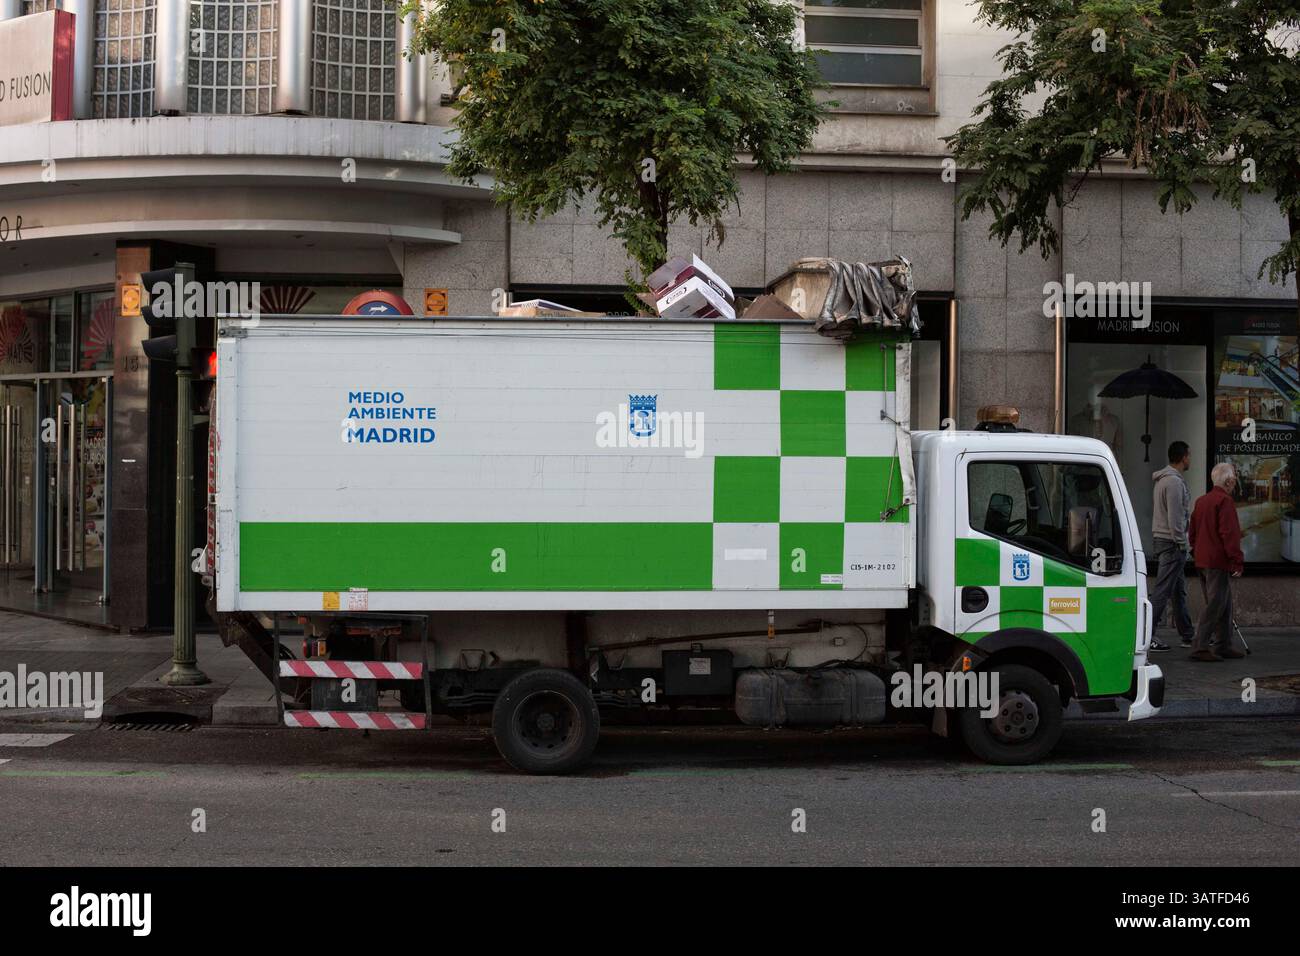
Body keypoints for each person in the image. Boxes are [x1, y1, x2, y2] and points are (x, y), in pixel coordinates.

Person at [1187, 462, 1246, 662]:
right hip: (1216, 561)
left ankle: (1223, 644)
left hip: (1202, 560)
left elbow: (1192, 531)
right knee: (1215, 604)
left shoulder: (1202, 501)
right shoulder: (1225, 501)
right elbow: (1229, 533)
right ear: (1229, 481)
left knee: (1224, 602)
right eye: (1235, 477)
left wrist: (1196, 550)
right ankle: (1200, 646)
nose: (1235, 481)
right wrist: (1236, 560)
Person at [1148, 441, 1194, 651]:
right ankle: (1148, 635)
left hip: (1164, 539)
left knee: (1177, 591)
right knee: (1163, 591)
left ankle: (1187, 634)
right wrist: (1182, 543)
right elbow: (1176, 517)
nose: (1190, 459)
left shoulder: (1163, 481)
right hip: (1172, 543)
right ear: (1183, 457)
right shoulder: (1173, 483)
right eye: (1189, 456)